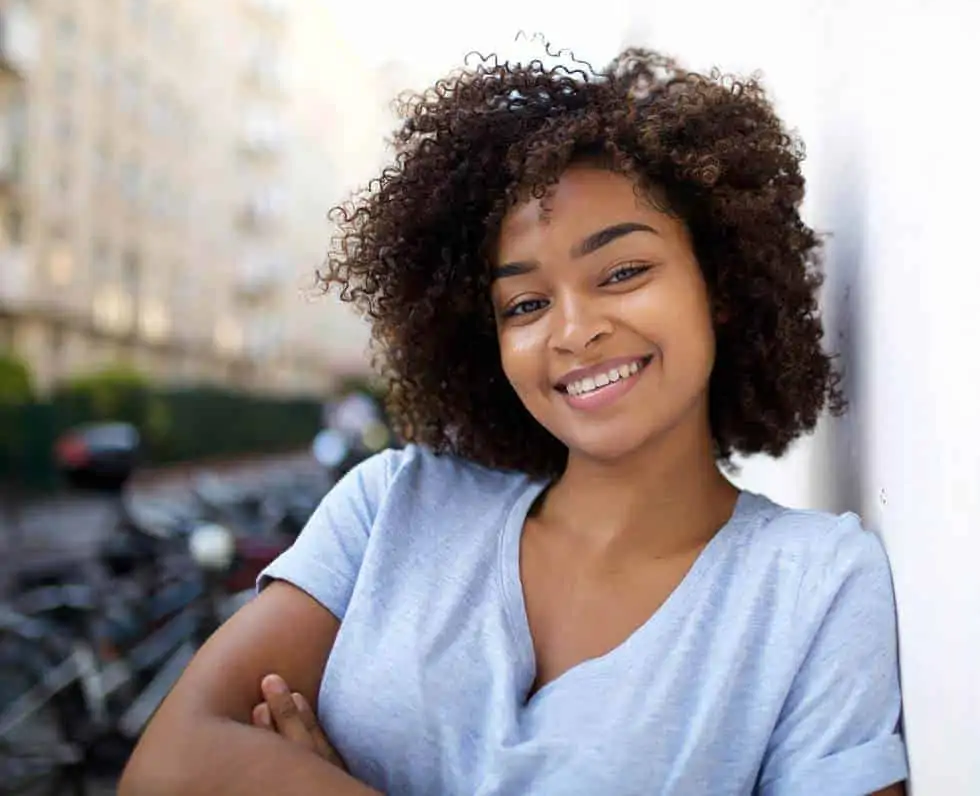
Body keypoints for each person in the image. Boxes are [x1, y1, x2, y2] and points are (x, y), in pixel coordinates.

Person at [119, 49, 907, 795]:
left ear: (721, 284)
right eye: (525, 303)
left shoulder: (815, 588)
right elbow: (168, 767)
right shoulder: (391, 507)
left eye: (623, 271)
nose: (572, 329)